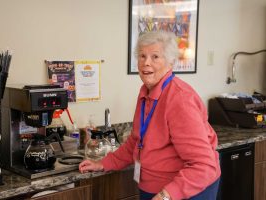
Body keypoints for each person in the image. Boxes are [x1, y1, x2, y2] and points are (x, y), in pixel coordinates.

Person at [79, 31, 221, 200]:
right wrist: (103, 163)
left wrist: (166, 195)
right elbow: (137, 141)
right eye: (142, 56)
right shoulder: (146, 92)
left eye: (155, 57)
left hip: (187, 191)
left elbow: (204, 166)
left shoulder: (180, 99)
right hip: (155, 187)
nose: (146, 63)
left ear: (170, 63)